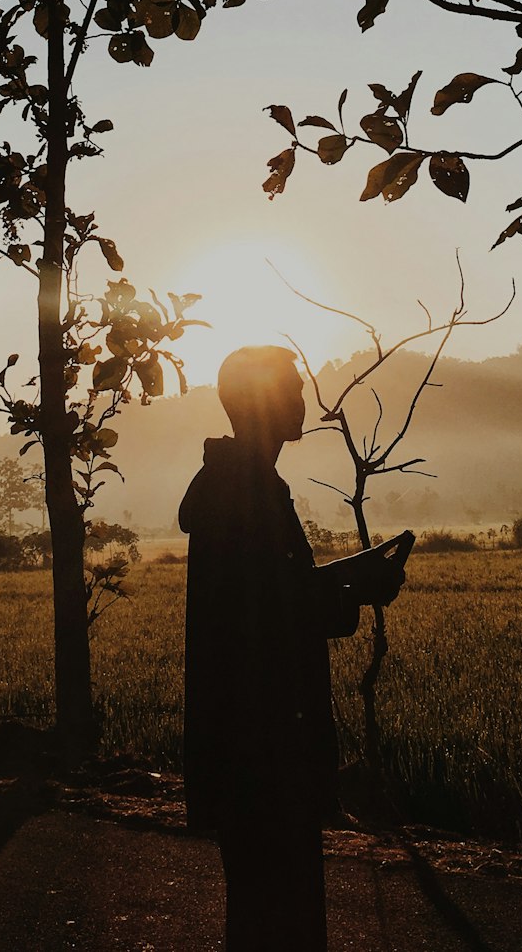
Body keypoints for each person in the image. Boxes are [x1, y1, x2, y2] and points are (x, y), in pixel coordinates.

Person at [178, 344, 411, 951]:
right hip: (264, 745)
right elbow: (271, 611)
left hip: (251, 744)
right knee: (281, 918)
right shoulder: (247, 492)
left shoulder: (239, 485)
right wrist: (359, 590)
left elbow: (273, 590)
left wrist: (348, 581)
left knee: (265, 914)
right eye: (291, 390)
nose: (303, 401)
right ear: (263, 405)